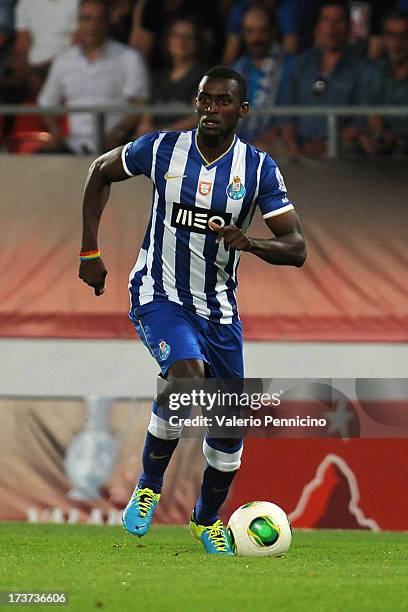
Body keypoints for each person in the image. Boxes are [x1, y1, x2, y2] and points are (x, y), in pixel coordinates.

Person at [78, 65, 306, 555]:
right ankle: (148, 487)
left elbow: (297, 247)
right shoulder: (161, 149)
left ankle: (205, 522)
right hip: (159, 292)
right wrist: (89, 252)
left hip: (219, 309)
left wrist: (251, 243)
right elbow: (99, 171)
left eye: (223, 101)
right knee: (185, 377)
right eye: (204, 99)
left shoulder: (259, 169)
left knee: (229, 428)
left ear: (242, 111)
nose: (210, 109)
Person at [38, 0, 149, 154]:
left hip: (117, 147)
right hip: (73, 146)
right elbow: (47, 103)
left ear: (108, 22)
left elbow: (139, 103)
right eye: (86, 19)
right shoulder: (63, 60)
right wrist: (57, 135)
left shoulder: (129, 58)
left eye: (99, 19)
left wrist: (118, 133)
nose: (93, 26)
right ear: (78, 23)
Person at [278, 0, 367, 157]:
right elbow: (286, 112)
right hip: (298, 146)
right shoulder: (300, 64)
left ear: (348, 27)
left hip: (340, 148)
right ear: (317, 26)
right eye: (326, 20)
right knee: (261, 149)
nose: (332, 28)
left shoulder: (361, 68)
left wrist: (329, 146)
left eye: (338, 21)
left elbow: (361, 119)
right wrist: (295, 149)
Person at [135, 16, 207, 137]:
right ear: (167, 41)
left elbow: (199, 117)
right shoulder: (159, 78)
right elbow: (147, 116)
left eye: (188, 35)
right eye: (176, 35)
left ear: (197, 42)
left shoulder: (205, 76)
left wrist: (164, 131)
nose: (182, 41)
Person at [231, 4, 292, 144]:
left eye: (262, 31)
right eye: (249, 31)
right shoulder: (235, 69)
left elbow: (289, 116)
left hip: (274, 145)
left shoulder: (290, 65)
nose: (256, 38)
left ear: (273, 31)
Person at [358, 11, 408, 155]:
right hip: (385, 144)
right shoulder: (374, 72)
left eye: (403, 36)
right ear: (384, 38)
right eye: (391, 35)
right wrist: (380, 136)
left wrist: (396, 138)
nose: (396, 43)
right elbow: (371, 111)